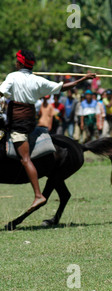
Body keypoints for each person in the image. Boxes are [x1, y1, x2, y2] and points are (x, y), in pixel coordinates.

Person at [0, 49, 96, 210]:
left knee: (25, 159)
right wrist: (82, 79)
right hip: (28, 121)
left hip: (19, 125)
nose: (15, 62)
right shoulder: (37, 80)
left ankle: (38, 195)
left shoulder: (12, 76)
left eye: (17, 60)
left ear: (20, 63)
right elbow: (62, 87)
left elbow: (1, 91)